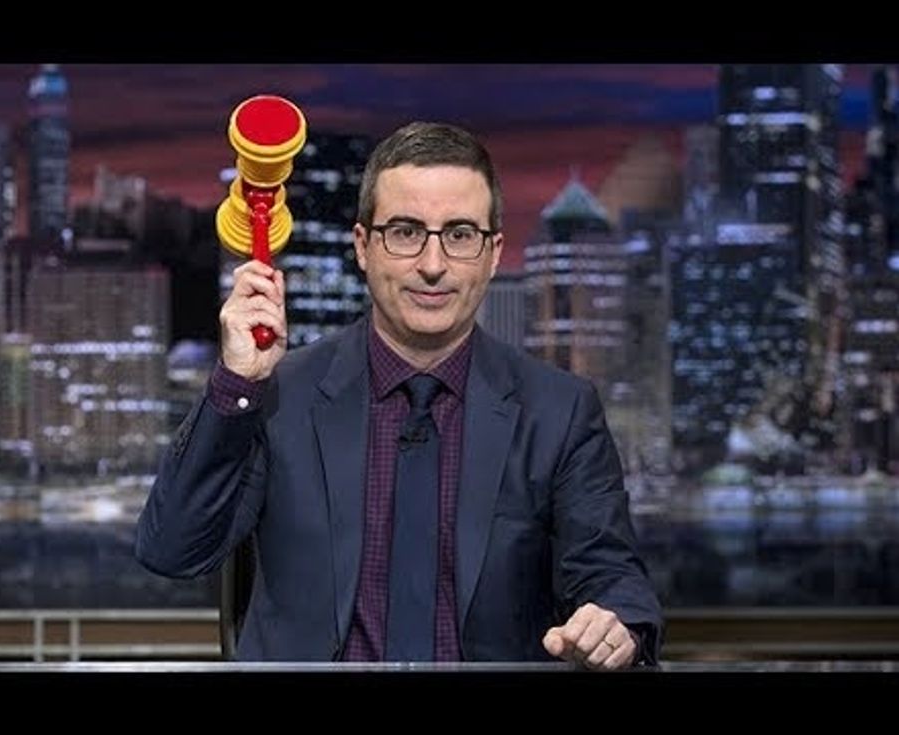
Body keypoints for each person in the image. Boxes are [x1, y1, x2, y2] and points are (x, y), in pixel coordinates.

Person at [136, 121, 662, 668]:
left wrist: (614, 626)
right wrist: (237, 383)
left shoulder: (560, 411)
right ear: (363, 247)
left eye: (460, 235)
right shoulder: (278, 396)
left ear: (493, 254)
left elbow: (613, 580)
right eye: (406, 232)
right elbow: (172, 550)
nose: (432, 266)